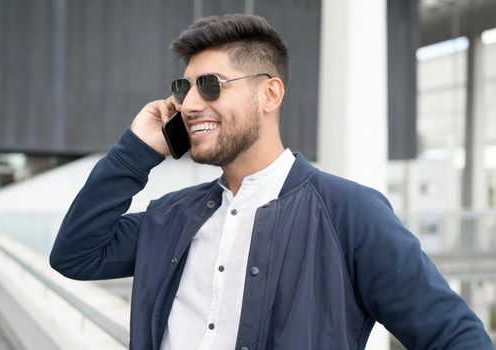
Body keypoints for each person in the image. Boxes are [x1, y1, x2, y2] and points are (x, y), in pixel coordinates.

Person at [49, 13, 492, 350]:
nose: (189, 105)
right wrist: (136, 149)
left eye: (211, 85)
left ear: (271, 94)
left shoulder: (350, 214)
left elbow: (455, 337)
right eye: (183, 90)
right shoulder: (171, 216)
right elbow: (76, 254)